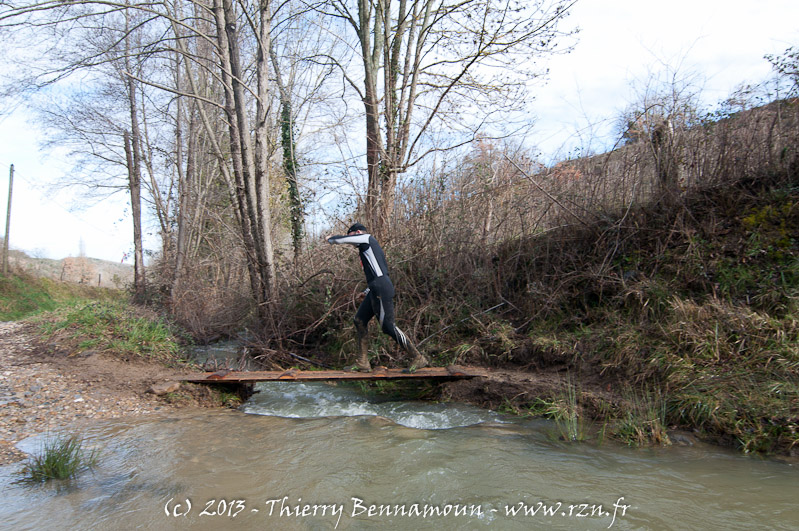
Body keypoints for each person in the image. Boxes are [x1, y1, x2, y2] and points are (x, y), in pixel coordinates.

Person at [326, 223, 429, 372]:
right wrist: (366, 291)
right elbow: (377, 273)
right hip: (375, 288)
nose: (351, 241)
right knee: (359, 320)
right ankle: (362, 363)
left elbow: (341, 240)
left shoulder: (367, 238)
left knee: (388, 326)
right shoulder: (368, 249)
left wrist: (331, 239)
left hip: (381, 287)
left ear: (358, 232)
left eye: (351, 236)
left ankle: (417, 357)